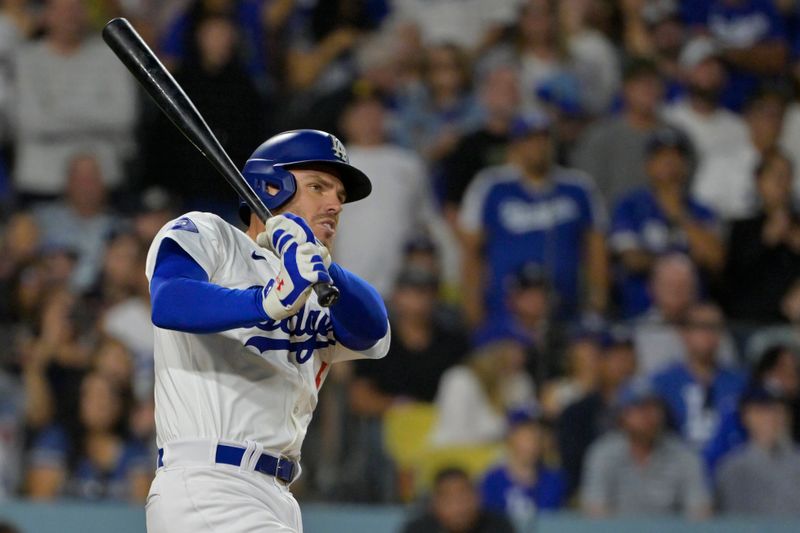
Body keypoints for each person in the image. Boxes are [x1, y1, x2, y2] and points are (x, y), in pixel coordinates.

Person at [143, 129, 390, 533]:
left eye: (340, 197)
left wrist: (323, 266)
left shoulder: (319, 286)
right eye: (319, 187)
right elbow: (170, 300)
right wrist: (265, 301)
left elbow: (374, 332)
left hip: (279, 495)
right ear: (270, 186)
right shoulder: (211, 235)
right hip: (209, 481)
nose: (334, 204)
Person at [459, 112, 608, 325]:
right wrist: (472, 306)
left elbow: (596, 247)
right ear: (516, 145)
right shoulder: (491, 186)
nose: (538, 146)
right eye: (529, 139)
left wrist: (598, 300)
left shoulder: (578, 187)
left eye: (543, 138)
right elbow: (472, 252)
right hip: (503, 314)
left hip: (566, 312)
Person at [609, 126, 724, 318]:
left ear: (686, 165)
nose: (670, 162)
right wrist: (683, 261)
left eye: (676, 156)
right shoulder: (630, 205)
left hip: (692, 321)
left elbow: (715, 259)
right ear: (649, 165)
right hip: (641, 314)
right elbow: (631, 259)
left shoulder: (701, 211)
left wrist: (679, 215)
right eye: (661, 156)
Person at [580, 379, 711, 519]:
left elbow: (700, 513)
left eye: (654, 407)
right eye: (640, 407)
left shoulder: (684, 455)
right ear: (623, 415)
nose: (648, 415)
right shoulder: (603, 453)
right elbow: (595, 511)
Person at [651, 302, 746, 451]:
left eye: (714, 327)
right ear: (684, 333)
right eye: (701, 327)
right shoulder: (661, 383)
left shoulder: (741, 383)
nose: (708, 334)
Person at [724, 150, 800, 324]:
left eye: (787, 176)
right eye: (775, 176)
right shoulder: (742, 227)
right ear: (759, 181)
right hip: (753, 321)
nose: (782, 183)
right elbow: (731, 278)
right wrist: (765, 240)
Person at [716, 384, 800, 515]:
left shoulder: (796, 461)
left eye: (777, 411)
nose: (771, 418)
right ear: (745, 416)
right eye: (762, 411)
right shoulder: (733, 468)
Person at [479, 408, 566, 530]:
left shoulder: (555, 480)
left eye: (537, 436)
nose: (534, 443)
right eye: (527, 436)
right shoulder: (491, 481)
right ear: (511, 438)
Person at [400, 467, 514, 533]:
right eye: (450, 500)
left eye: (464, 498)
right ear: (435, 504)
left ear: (477, 497)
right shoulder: (416, 530)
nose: (459, 508)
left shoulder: (499, 527)